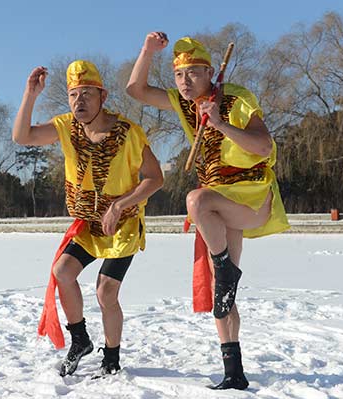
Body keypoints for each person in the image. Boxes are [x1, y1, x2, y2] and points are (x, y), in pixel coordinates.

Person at [126, 33, 290, 390]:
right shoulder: (184, 104)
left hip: (250, 196)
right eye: (179, 75)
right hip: (221, 202)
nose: (185, 82)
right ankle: (234, 370)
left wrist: (220, 124)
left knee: (195, 201)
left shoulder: (234, 99)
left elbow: (263, 147)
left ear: (211, 73)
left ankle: (226, 270)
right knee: (223, 292)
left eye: (193, 74)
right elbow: (136, 90)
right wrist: (148, 51)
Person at [12, 60, 163, 377]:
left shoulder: (128, 133)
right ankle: (79, 340)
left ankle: (112, 358)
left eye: (86, 95)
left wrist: (121, 205)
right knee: (62, 271)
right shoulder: (66, 127)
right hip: (89, 225)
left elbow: (155, 178)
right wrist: (30, 94)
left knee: (106, 291)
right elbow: (22, 137)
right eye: (73, 95)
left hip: (121, 225)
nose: (79, 102)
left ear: (103, 96)